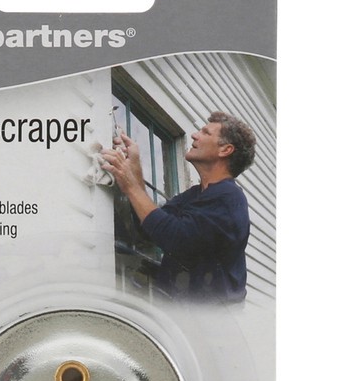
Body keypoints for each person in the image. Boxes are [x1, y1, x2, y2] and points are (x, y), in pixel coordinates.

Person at [101, 110, 256, 303]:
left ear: (225, 150)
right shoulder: (194, 196)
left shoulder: (229, 197)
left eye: (206, 133)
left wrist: (130, 185)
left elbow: (176, 238)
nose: (194, 135)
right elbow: (150, 229)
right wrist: (135, 170)